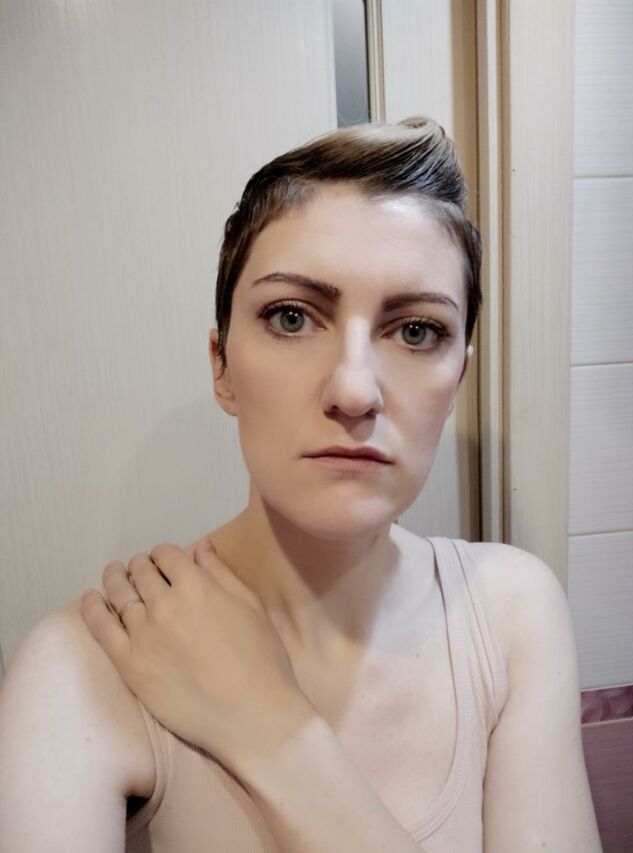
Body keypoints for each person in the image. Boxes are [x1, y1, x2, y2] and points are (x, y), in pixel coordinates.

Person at [0, 118, 602, 852]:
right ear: (222, 366)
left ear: (458, 381)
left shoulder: (512, 613)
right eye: (292, 317)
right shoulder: (85, 665)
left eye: (416, 331)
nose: (354, 391)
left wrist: (270, 727)